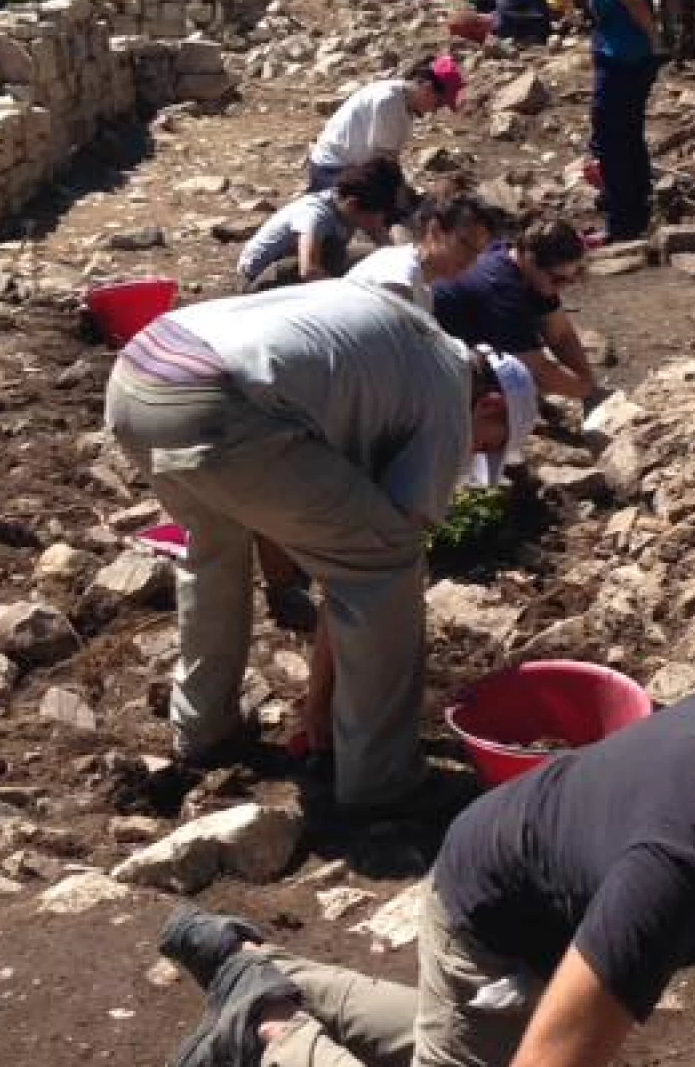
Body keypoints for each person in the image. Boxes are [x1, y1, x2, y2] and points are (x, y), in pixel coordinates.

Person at [157, 652, 695, 1067]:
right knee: (492, 1033)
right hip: (496, 913)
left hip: (577, 878)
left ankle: (252, 963)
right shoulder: (680, 869)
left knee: (476, 1029)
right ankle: (272, 1025)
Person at [104, 279, 540, 816]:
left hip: (139, 377)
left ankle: (203, 729)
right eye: (487, 444)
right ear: (490, 403)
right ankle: (381, 778)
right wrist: (321, 712)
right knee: (388, 562)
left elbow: (340, 558)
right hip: (218, 402)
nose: (472, 455)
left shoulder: (405, 343)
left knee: (216, 546)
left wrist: (317, 705)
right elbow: (373, 565)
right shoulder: (448, 395)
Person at [432, 216, 597, 399]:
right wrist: (585, 390)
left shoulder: (527, 270)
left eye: (572, 278)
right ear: (530, 259)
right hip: (435, 364)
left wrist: (586, 380)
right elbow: (537, 371)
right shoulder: (504, 293)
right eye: (558, 279)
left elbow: (560, 333)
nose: (562, 287)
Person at [238, 159, 407, 293]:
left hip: (306, 266)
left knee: (370, 254)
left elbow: (385, 247)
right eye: (373, 217)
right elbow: (309, 271)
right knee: (328, 257)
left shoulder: (351, 205)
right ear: (353, 205)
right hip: (260, 279)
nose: (377, 223)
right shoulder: (315, 215)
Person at [306, 56, 465, 195]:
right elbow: (382, 161)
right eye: (438, 104)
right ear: (428, 88)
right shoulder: (388, 102)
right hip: (332, 169)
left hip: (352, 168)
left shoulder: (404, 102)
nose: (435, 110)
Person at [345, 184, 501, 312]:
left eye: (478, 253)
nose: (471, 261)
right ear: (436, 231)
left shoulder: (423, 286)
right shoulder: (398, 284)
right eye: (466, 245)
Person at [588, 0, 662, 243]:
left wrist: (654, 37)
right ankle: (639, 211)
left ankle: (621, 222)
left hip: (621, 61)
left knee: (610, 140)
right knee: (630, 135)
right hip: (632, 58)